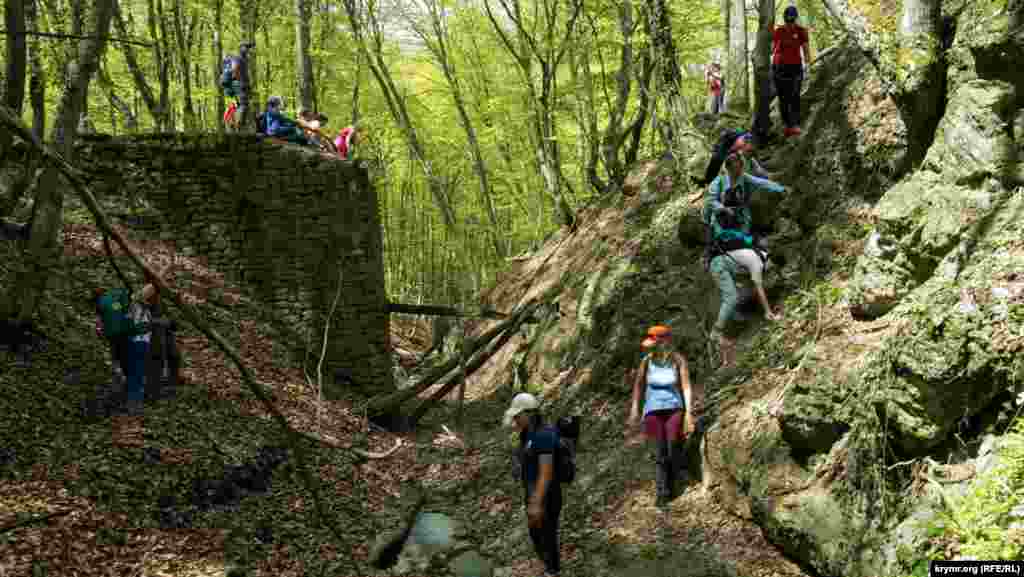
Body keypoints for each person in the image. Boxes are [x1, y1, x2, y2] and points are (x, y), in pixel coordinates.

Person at [706, 153, 785, 367]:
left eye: (741, 168)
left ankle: (737, 308)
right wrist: (722, 209)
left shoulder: (744, 178)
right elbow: (709, 203)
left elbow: (760, 182)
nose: (739, 172)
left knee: (741, 259)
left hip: (739, 225)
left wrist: (779, 188)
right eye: (736, 170)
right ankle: (725, 324)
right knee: (735, 281)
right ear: (728, 169)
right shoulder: (718, 183)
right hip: (722, 227)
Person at [628, 326, 702, 508]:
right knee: (660, 451)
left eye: (654, 343)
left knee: (672, 446)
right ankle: (662, 493)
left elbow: (686, 386)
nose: (650, 347)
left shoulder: (678, 360)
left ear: (664, 342)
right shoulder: (647, 361)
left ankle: (676, 478)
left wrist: (688, 413)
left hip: (674, 407)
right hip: (652, 411)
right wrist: (635, 409)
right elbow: (638, 385)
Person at [504, 393, 562, 577]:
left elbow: (546, 472)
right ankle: (546, 564)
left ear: (528, 414)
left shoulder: (544, 435)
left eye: (517, 416)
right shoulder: (527, 433)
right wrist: (518, 463)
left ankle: (552, 571)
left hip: (547, 494)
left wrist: (536, 502)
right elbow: (525, 455)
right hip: (532, 491)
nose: (515, 420)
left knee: (547, 533)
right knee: (535, 532)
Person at [772, 5, 811, 137]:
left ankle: (794, 125)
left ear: (795, 18)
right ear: (785, 18)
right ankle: (787, 126)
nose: (790, 22)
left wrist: (808, 65)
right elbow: (772, 49)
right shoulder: (778, 31)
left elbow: (806, 49)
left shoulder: (801, 31)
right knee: (783, 98)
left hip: (795, 68)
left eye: (792, 19)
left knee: (795, 95)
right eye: (788, 19)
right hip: (779, 68)